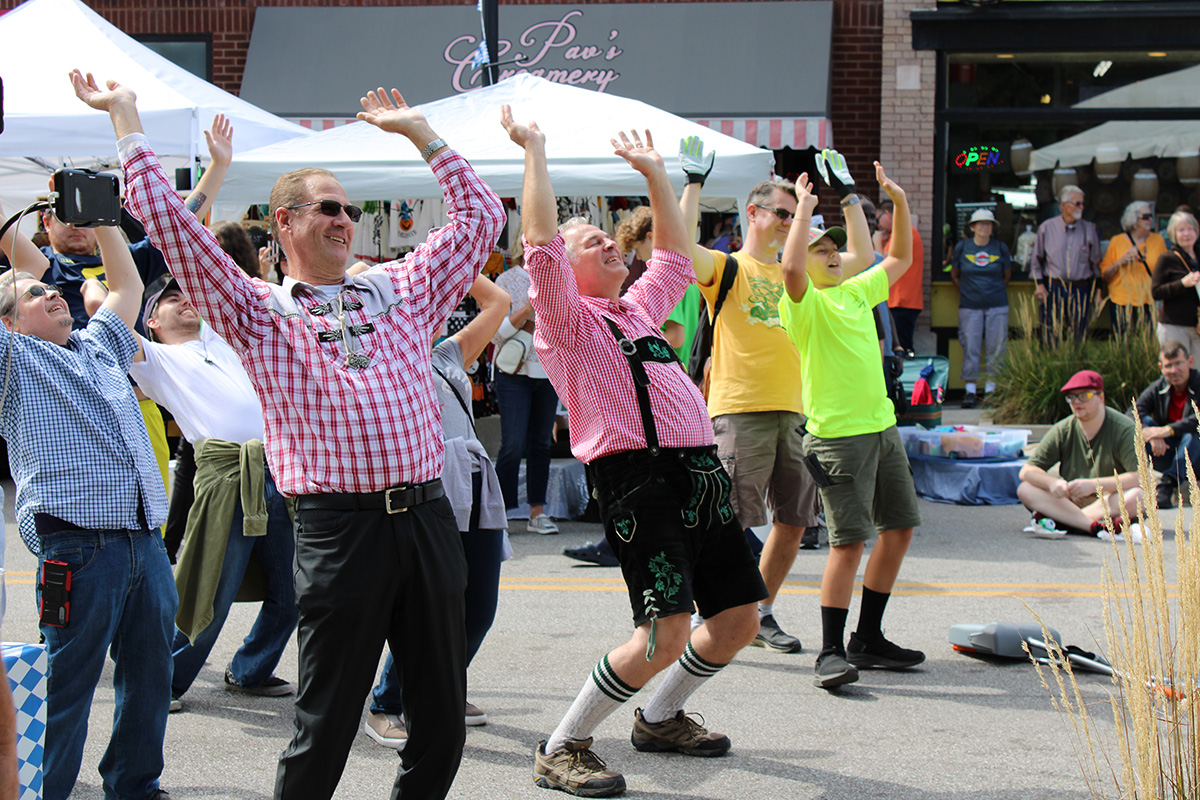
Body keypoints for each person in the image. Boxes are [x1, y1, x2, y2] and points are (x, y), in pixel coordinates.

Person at [78, 70, 504, 800]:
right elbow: (169, 225)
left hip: (427, 515)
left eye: (348, 209)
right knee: (327, 721)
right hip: (340, 528)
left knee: (440, 717)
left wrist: (422, 137)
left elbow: (480, 218)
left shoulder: (400, 287)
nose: (343, 219)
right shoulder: (255, 310)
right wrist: (127, 117)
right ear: (283, 223)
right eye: (326, 208)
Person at [506, 113, 766, 797]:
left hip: (700, 473)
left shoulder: (639, 311)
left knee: (739, 619)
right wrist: (536, 150)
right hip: (638, 479)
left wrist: (656, 176)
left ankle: (660, 717)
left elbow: (676, 260)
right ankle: (562, 745)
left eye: (604, 237)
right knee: (664, 633)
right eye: (591, 243)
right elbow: (539, 247)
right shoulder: (566, 323)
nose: (607, 245)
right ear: (567, 268)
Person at [0, 213, 174, 800]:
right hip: (77, 547)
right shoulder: (12, 362)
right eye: (33, 293)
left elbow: (126, 288)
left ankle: (134, 787)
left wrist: (103, 221)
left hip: (144, 540)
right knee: (65, 685)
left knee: (151, 677)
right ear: (6, 321)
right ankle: (42, 791)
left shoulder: (96, 344)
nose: (52, 291)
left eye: (51, 288)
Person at [679, 146, 875, 654]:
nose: (792, 223)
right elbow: (678, 246)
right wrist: (692, 184)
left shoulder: (804, 269)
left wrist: (849, 194)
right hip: (740, 409)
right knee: (731, 520)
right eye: (784, 214)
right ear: (754, 213)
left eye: (797, 216)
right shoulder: (727, 267)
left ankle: (761, 612)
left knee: (794, 522)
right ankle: (718, 612)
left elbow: (864, 257)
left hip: (799, 412)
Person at [778, 163, 925, 691]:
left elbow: (902, 257)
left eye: (834, 248)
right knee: (848, 544)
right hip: (837, 439)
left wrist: (900, 203)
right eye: (821, 249)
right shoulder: (803, 304)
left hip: (882, 430)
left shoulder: (858, 292)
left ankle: (869, 636)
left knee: (900, 530)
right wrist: (803, 213)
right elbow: (792, 271)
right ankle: (831, 652)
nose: (832, 254)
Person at [127, 276, 299, 708]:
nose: (183, 300)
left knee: (298, 585)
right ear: (151, 321)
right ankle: (162, 680)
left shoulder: (223, 339)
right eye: (169, 299)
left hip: (277, 468)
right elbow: (106, 306)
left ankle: (250, 668)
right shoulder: (155, 357)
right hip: (225, 476)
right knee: (209, 590)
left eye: (185, 294)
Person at [364, 275, 510, 748]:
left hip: (471, 479)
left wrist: (456, 262)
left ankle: (441, 685)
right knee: (426, 607)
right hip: (418, 487)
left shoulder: (446, 353)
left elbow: (500, 301)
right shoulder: (369, 360)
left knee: (479, 606)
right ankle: (388, 703)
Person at [1017, 370, 1142, 540]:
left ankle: (1065, 522)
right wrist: (1053, 483)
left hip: (1108, 502)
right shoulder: (1063, 429)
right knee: (1025, 489)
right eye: (1071, 397)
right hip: (1071, 502)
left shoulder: (1124, 428)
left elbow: (1140, 477)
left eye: (1084, 395)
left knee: (1139, 495)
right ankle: (1092, 526)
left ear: (1101, 397)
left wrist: (1093, 485)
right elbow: (1027, 471)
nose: (1076, 402)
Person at [492, 257, 561, 534]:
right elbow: (497, 335)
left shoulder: (559, 278)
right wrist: (528, 309)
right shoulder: (507, 280)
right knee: (513, 443)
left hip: (548, 370)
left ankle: (538, 512)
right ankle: (499, 512)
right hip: (513, 372)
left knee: (541, 444)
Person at [950, 208, 1011, 408]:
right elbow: (955, 274)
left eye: (989, 224)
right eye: (981, 224)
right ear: (973, 227)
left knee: (997, 348)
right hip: (969, 306)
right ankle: (970, 391)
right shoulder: (962, 247)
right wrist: (968, 292)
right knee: (971, 347)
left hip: (997, 305)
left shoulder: (1000, 247)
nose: (985, 227)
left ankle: (992, 390)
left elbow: (1007, 275)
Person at [1029, 185, 1102, 343]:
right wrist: (1039, 285)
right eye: (1077, 203)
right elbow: (1036, 261)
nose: (1081, 207)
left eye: (1083, 203)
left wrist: (1098, 290)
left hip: (1080, 288)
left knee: (1078, 336)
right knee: (1050, 335)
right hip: (1054, 288)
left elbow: (1096, 264)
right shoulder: (1047, 228)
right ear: (1063, 205)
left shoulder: (1089, 229)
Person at [1134, 340, 1200, 510]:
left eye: (1178, 364)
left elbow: (1197, 418)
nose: (1174, 370)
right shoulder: (1158, 387)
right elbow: (1132, 412)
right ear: (1161, 367)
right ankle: (1132, 481)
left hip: (1196, 455)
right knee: (1144, 422)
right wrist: (1152, 433)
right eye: (1168, 366)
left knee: (1195, 433)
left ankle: (1168, 484)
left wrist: (1168, 430)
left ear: (1190, 362)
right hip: (1166, 451)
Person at [1100, 201, 1167, 335]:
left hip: (1149, 299)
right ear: (1133, 219)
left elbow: (1165, 271)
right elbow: (1105, 275)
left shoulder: (1158, 240)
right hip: (1122, 299)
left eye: (1151, 216)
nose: (1150, 219)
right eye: (1145, 216)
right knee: (1122, 341)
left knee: (1148, 341)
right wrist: (1121, 261)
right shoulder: (1117, 241)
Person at [875, 197, 925, 356]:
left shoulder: (905, 231)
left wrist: (876, 242)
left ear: (888, 214)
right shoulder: (897, 234)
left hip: (903, 302)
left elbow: (884, 262)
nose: (878, 225)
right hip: (898, 301)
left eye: (878, 218)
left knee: (902, 349)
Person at [1151, 209, 1200, 358]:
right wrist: (1182, 284)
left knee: (1197, 375)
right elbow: (1156, 292)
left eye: (1190, 229)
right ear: (1173, 234)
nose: (1187, 234)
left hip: (1197, 326)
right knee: (1177, 372)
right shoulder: (1167, 258)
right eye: (1181, 230)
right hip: (1174, 326)